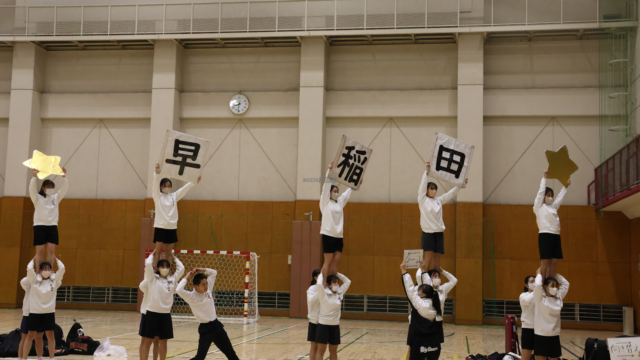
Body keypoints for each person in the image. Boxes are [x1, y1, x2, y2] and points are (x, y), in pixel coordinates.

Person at [176, 268, 239, 360]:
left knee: (231, 354)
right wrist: (187, 276)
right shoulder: (191, 297)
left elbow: (214, 273)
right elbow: (178, 290)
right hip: (206, 330)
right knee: (200, 357)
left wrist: (202, 270)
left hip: (217, 327)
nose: (206, 286)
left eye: (206, 283)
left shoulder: (208, 288)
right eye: (203, 284)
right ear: (196, 286)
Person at [418, 162, 466, 272]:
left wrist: (460, 184)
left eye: (435, 188)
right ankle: (424, 283)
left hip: (439, 233)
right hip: (428, 233)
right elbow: (421, 186)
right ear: (427, 190)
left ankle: (435, 284)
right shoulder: (423, 200)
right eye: (432, 188)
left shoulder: (439, 200)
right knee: (428, 259)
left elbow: (450, 194)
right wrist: (427, 171)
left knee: (437, 260)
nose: (434, 191)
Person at [319, 162, 361, 284]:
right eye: (334, 191)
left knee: (336, 261)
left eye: (338, 191)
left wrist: (357, 182)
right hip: (328, 234)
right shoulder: (325, 202)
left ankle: (333, 283)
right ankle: (324, 284)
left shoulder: (339, 202)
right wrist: (329, 171)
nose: (336, 192)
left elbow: (348, 193)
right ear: (330, 193)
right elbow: (326, 187)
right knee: (328, 261)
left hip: (339, 236)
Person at [152, 163, 200, 269]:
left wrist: (194, 181)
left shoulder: (174, 196)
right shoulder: (157, 196)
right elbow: (155, 183)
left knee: (169, 253)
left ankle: (167, 274)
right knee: (158, 252)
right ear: (161, 186)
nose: (167, 187)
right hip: (160, 226)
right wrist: (156, 172)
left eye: (169, 186)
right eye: (165, 186)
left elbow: (184, 189)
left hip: (172, 227)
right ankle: (156, 272)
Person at [140, 250, 185, 360]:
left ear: (169, 269)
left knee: (163, 342)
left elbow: (181, 269)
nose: (164, 268)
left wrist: (173, 257)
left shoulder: (172, 280)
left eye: (167, 266)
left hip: (165, 315)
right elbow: (147, 264)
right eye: (162, 266)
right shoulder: (152, 279)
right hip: (152, 313)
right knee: (148, 341)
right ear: (158, 268)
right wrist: (152, 254)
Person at [23, 257, 65, 360]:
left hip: (49, 312)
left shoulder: (55, 281)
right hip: (35, 312)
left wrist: (56, 259)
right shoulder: (34, 280)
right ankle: (24, 358)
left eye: (48, 269)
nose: (47, 271)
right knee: (30, 335)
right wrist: (32, 261)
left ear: (51, 270)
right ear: (40, 271)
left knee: (50, 335)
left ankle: (52, 358)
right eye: (44, 269)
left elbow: (62, 268)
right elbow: (29, 270)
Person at [533, 168, 570, 278]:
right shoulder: (539, 207)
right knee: (545, 264)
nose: (550, 197)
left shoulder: (553, 207)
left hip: (556, 236)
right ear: (544, 196)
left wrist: (566, 186)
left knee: (554, 262)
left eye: (551, 195)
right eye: (548, 195)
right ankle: (543, 288)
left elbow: (559, 198)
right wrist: (544, 177)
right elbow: (540, 192)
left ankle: (551, 287)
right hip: (545, 235)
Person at [29, 168, 68, 272]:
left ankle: (48, 272)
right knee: (40, 251)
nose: (50, 188)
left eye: (52, 187)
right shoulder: (37, 198)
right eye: (48, 187)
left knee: (51, 251)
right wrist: (34, 176)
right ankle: (38, 271)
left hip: (52, 226)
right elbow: (31, 189)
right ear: (43, 188)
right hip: (39, 226)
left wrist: (64, 177)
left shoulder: (56, 198)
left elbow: (64, 189)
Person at [401, 262, 441, 360]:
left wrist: (403, 271)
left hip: (420, 344)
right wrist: (423, 270)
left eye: (418, 290)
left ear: (422, 295)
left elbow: (409, 288)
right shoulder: (435, 301)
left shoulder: (419, 304)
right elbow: (428, 286)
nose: (417, 291)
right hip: (435, 344)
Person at [533, 270, 569, 360]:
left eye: (556, 286)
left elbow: (566, 284)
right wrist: (539, 274)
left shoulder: (559, 296)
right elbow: (537, 285)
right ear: (545, 287)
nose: (555, 288)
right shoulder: (540, 298)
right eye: (552, 286)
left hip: (554, 336)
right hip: (541, 336)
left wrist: (555, 275)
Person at [315, 272, 351, 360]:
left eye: (337, 282)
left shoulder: (340, 293)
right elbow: (319, 285)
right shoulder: (323, 293)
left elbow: (348, 282)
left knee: (333, 351)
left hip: (335, 326)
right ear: (329, 284)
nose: (336, 284)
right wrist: (322, 274)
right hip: (323, 326)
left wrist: (337, 274)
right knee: (321, 352)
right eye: (334, 282)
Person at [417, 267, 457, 344]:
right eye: (434, 276)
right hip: (428, 322)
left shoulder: (443, 289)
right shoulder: (427, 289)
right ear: (429, 278)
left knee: (436, 346)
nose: (437, 278)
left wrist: (443, 272)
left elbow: (454, 280)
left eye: (438, 276)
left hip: (438, 322)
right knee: (426, 345)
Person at [19, 275, 43, 360]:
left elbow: (58, 283)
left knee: (39, 337)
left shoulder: (45, 285)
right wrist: (33, 275)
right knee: (25, 338)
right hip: (28, 314)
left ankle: (40, 357)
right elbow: (22, 282)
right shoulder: (29, 284)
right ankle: (21, 358)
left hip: (40, 314)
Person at [138, 279, 159, 360]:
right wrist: (150, 276)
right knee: (144, 340)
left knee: (156, 341)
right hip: (147, 313)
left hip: (158, 313)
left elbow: (174, 289)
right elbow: (141, 286)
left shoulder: (164, 281)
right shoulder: (149, 280)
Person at [520, 275, 537, 360]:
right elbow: (527, 300)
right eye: (532, 281)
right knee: (525, 357)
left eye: (535, 281)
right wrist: (537, 290)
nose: (534, 283)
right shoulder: (523, 296)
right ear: (526, 285)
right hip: (528, 329)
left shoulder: (540, 296)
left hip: (540, 329)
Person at [307, 269, 322, 360]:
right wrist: (319, 291)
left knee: (321, 348)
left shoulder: (326, 289)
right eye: (320, 276)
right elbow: (310, 300)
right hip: (314, 320)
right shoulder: (312, 289)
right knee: (314, 346)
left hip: (324, 321)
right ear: (315, 278)